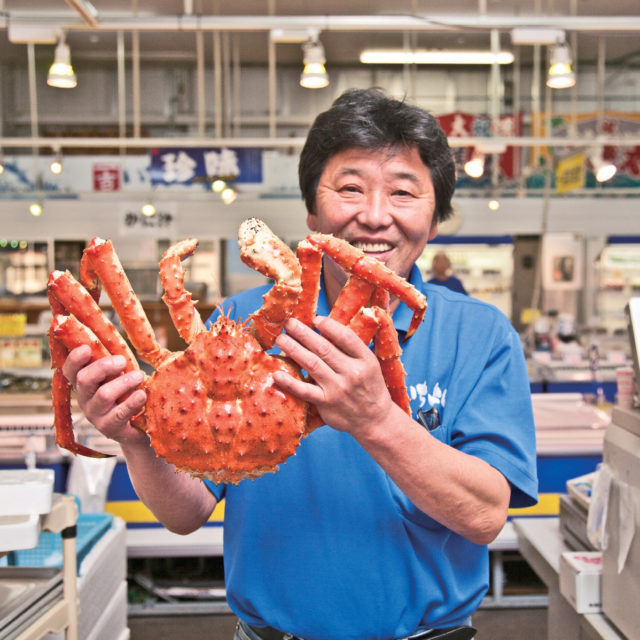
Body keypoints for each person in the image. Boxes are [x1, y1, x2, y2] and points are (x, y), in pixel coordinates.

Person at [62, 88, 537, 640]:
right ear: (313, 210)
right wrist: (137, 438)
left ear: (435, 219)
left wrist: (377, 420)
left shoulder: (478, 335)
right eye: (351, 188)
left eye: (404, 192)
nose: (375, 216)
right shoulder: (238, 323)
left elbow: (484, 516)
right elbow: (186, 513)